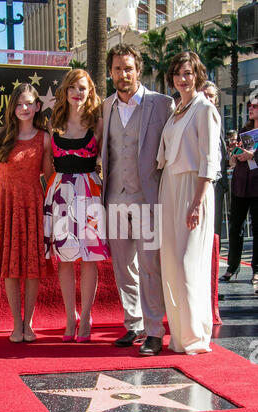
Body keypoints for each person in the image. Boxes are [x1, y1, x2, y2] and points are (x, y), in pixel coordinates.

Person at [101, 44, 174, 356]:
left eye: (128, 67)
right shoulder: (106, 107)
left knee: (149, 265)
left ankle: (155, 331)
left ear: (138, 69)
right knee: (123, 267)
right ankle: (134, 324)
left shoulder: (161, 104)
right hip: (115, 196)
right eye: (117, 68)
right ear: (110, 72)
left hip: (147, 198)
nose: (123, 74)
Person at [157, 51, 221, 355]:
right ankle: (181, 337)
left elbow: (211, 159)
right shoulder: (176, 110)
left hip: (193, 189)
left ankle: (196, 336)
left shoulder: (204, 109)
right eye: (178, 73)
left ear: (198, 75)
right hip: (169, 187)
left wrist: (197, 202)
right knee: (170, 263)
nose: (183, 78)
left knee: (187, 265)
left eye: (189, 73)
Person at [44, 69, 110, 343]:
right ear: (65, 91)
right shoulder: (53, 122)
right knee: (66, 259)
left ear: (90, 92)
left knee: (90, 258)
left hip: (90, 192)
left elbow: (107, 160)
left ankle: (87, 316)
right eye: (72, 87)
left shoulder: (98, 123)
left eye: (82, 88)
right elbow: (47, 165)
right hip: (60, 194)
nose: (77, 92)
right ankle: (71, 318)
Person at [0, 83, 52, 343]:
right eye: (19, 104)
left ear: (37, 106)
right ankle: (16, 324)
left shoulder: (44, 138)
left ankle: (29, 323)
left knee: (33, 268)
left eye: (29, 103)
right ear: (12, 107)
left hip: (34, 207)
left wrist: (50, 213)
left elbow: (48, 177)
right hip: (6, 206)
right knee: (10, 268)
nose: (24, 108)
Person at [220, 95, 258, 284]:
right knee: (236, 228)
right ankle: (232, 267)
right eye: (250, 106)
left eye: (255, 106)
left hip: (256, 186)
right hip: (241, 185)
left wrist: (253, 155)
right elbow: (234, 160)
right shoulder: (244, 131)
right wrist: (234, 151)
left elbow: (253, 156)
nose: (251, 109)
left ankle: (256, 270)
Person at [201, 81, 229, 243]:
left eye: (211, 96)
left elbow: (221, 152)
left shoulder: (216, 120)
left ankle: (214, 267)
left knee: (214, 231)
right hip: (197, 183)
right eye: (204, 95)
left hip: (216, 183)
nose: (208, 99)